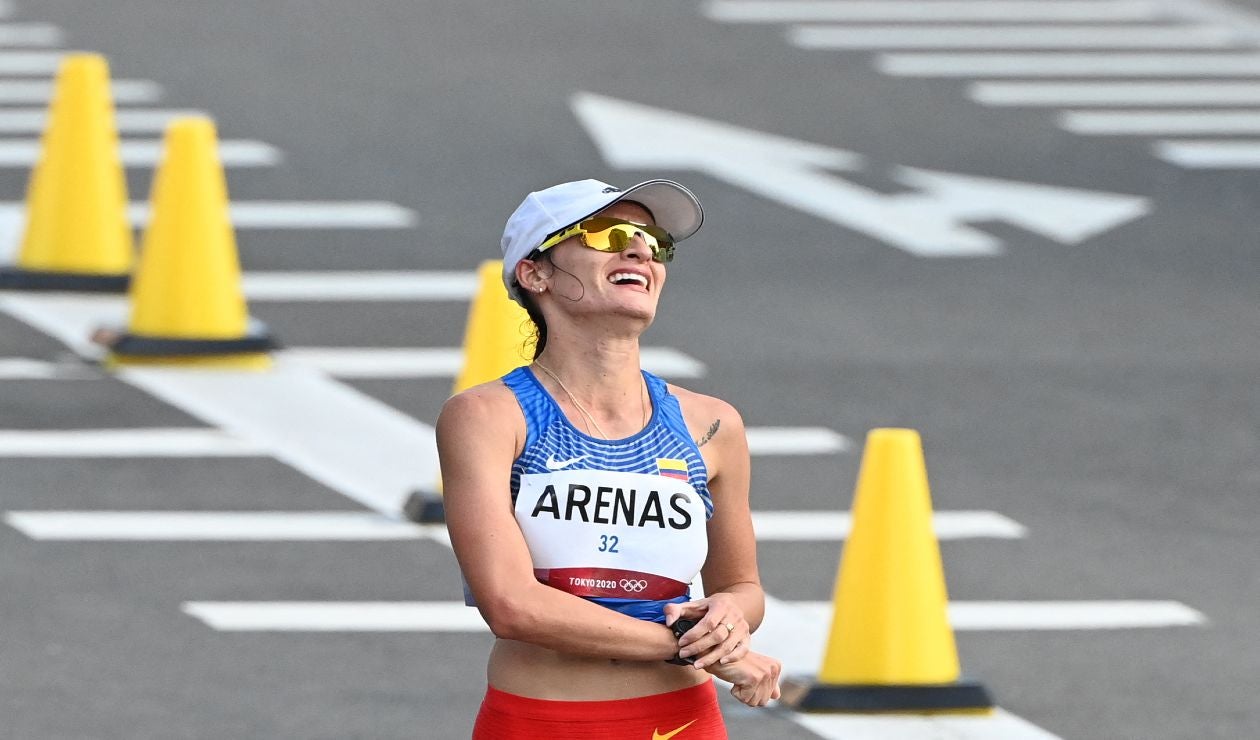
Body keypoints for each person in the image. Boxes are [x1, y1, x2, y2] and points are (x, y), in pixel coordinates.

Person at [437, 178, 781, 739]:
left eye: (654, 241)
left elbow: (743, 586)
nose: (639, 250)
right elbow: (511, 605)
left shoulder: (712, 425)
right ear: (535, 273)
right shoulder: (487, 417)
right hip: (543, 722)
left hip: (684, 722)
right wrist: (690, 649)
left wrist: (728, 618)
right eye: (607, 233)